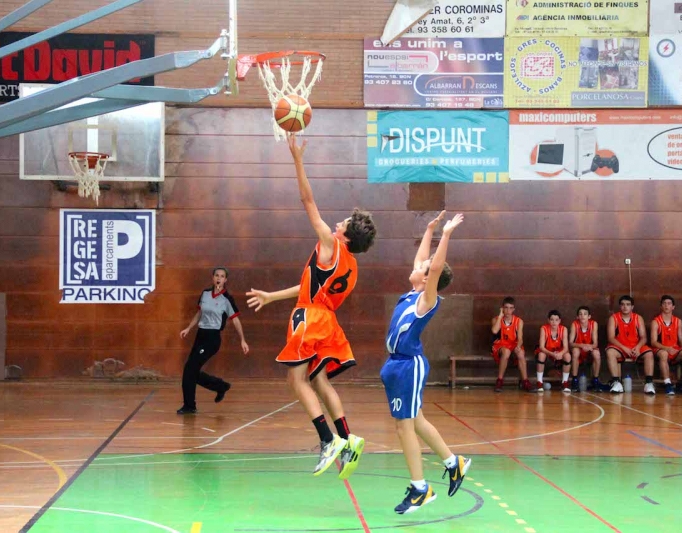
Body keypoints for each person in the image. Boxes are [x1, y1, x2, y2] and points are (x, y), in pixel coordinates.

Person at [245, 134, 377, 479]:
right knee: (320, 381)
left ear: (345, 235)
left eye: (343, 223)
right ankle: (347, 439)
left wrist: (298, 160)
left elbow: (307, 200)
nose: (338, 223)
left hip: (310, 320)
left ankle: (326, 440)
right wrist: (272, 296)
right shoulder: (352, 267)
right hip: (327, 321)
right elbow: (310, 291)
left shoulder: (329, 244)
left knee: (296, 379)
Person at [380, 211, 471, 514]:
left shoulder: (425, 301)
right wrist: (430, 230)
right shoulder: (411, 293)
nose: (417, 265)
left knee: (403, 426)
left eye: (423, 268)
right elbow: (423, 261)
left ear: (428, 277)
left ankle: (420, 489)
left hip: (409, 365)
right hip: (396, 365)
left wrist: (446, 234)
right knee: (416, 420)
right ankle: (453, 462)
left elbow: (433, 268)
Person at [177, 267, 249, 414]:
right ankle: (220, 386)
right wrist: (188, 328)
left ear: (225, 280)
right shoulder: (205, 294)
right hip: (200, 335)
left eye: (222, 276)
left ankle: (190, 406)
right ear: (213, 277)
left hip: (212, 338)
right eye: (217, 275)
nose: (219, 278)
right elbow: (199, 313)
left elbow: (235, 320)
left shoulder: (226, 299)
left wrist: (243, 340)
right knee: (190, 371)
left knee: (190, 369)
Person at [605, 295, 654, 394]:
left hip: (635, 346)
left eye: (628, 304)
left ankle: (648, 383)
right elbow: (611, 337)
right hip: (620, 346)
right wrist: (624, 348)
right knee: (610, 352)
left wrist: (638, 347)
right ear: (620, 306)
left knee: (649, 354)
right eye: (623, 304)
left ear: (632, 307)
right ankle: (616, 382)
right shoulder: (614, 318)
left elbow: (644, 337)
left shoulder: (638, 318)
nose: (625, 307)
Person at [649, 295, 682, 395]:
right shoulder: (655, 322)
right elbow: (653, 342)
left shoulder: (678, 321)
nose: (666, 306)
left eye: (669, 303)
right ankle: (668, 384)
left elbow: (681, 339)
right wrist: (667, 348)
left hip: (674, 349)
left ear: (673, 307)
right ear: (661, 306)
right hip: (660, 349)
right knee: (664, 354)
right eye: (664, 303)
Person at [491, 297, 531, 392]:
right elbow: (494, 331)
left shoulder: (519, 321)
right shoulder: (496, 319)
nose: (508, 310)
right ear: (502, 308)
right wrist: (500, 316)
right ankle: (499, 380)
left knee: (521, 353)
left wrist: (518, 346)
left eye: (510, 308)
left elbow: (520, 338)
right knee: (506, 352)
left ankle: (525, 381)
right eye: (506, 307)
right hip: (500, 345)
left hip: (513, 344)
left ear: (514, 309)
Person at [534, 310, 571, 392]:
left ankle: (565, 382)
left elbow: (566, 347)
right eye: (552, 320)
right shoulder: (544, 328)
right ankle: (539, 382)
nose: (554, 322)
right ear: (548, 320)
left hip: (558, 352)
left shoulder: (563, 329)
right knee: (541, 355)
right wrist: (552, 354)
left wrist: (560, 353)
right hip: (547, 351)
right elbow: (541, 347)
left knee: (567, 356)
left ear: (559, 321)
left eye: (556, 320)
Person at [569, 306, 602, 392]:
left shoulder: (594, 324)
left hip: (590, 348)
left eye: (585, 314)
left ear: (589, 316)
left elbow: (595, 343)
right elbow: (571, 343)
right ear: (577, 317)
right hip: (579, 347)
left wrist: (589, 347)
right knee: (575, 352)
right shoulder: (574, 324)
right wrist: (582, 345)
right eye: (580, 314)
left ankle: (595, 380)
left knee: (597, 354)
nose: (582, 316)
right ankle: (574, 380)